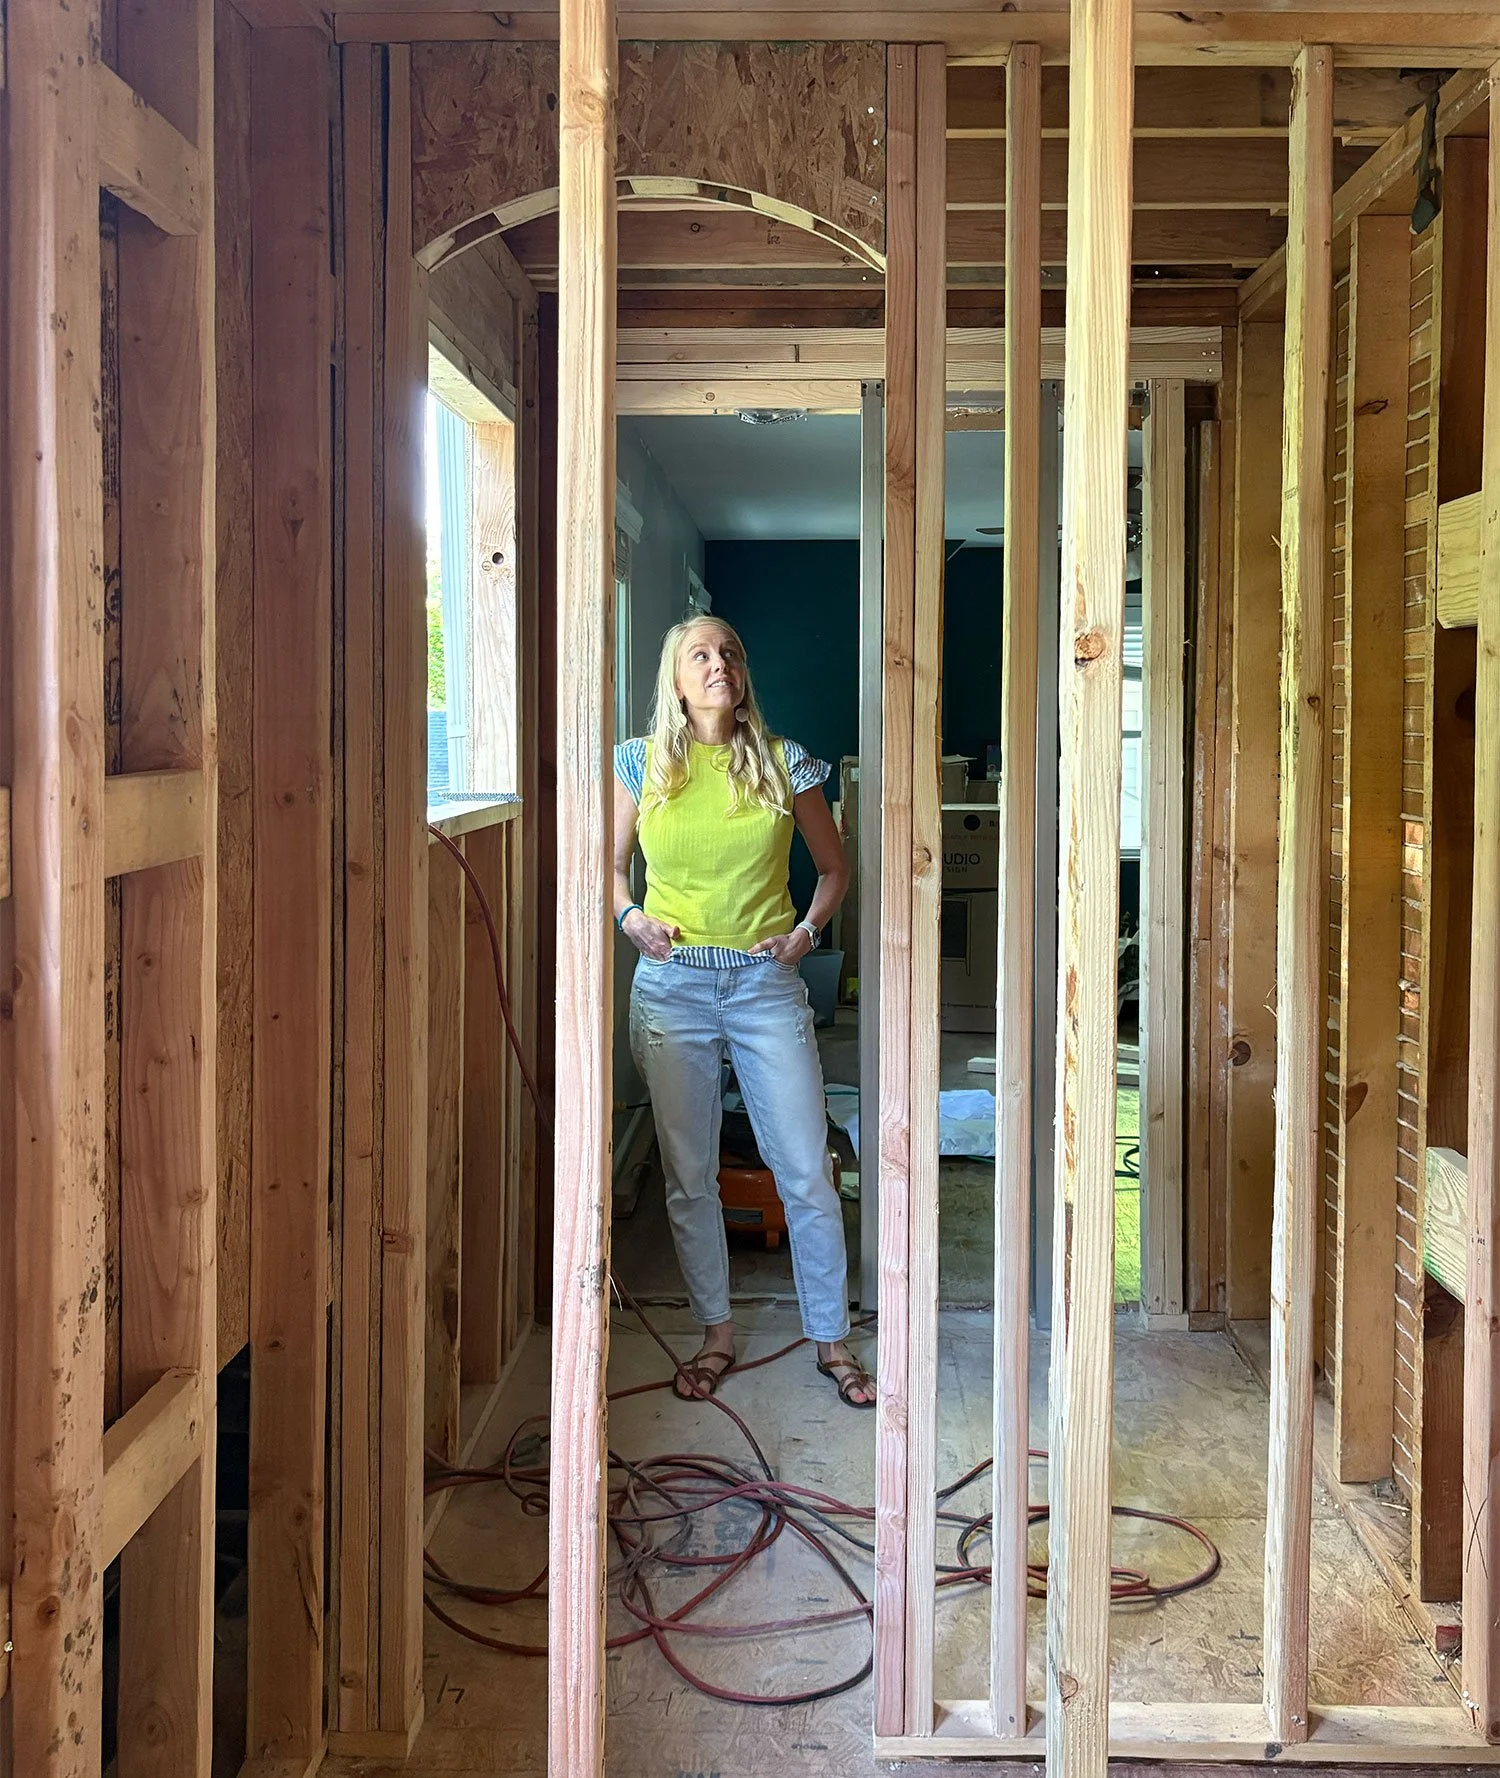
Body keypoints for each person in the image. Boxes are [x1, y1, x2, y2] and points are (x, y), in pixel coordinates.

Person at [613, 616, 873, 1408]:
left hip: (764, 986)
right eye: (701, 654)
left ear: (743, 671)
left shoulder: (785, 762)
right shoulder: (641, 763)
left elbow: (833, 870)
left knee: (806, 1169)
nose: (718, 663)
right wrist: (629, 918)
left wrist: (805, 934)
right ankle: (715, 1335)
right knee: (689, 1176)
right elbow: (603, 869)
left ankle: (832, 1340)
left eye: (730, 651)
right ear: (677, 678)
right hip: (671, 989)